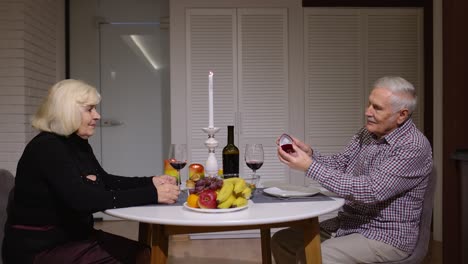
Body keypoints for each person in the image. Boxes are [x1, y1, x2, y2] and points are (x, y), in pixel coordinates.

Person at [2, 79, 180, 264]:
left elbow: (106, 181)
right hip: (41, 248)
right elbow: (83, 199)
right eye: (90, 109)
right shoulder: (47, 147)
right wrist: (151, 194)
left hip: (73, 235)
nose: (97, 116)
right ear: (67, 111)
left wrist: (151, 181)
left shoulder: (77, 143)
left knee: (142, 253)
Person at [273, 76, 433, 263]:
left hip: (385, 235)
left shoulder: (413, 147)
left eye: (377, 108)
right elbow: (341, 164)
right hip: (350, 224)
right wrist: (310, 155)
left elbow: (370, 191)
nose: (367, 111)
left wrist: (309, 167)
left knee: (316, 257)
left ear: (402, 115)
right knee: (282, 240)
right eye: (369, 104)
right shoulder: (366, 133)